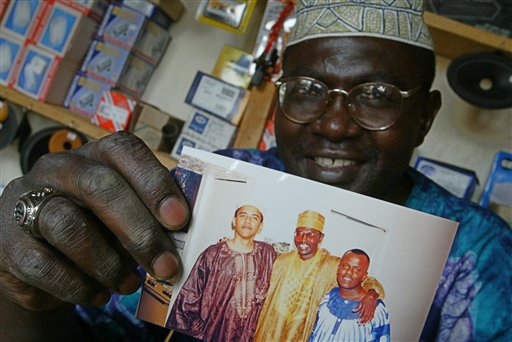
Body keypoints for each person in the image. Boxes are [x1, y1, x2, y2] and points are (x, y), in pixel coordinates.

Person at [0, 0, 510, 341]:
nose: (334, 126)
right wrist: (23, 290)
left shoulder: (479, 253)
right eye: (306, 90)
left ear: (425, 117)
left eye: (377, 97)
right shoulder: (218, 189)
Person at [254, 210, 383, 342]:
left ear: (320, 238)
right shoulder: (282, 261)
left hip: (303, 333)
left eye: (310, 235)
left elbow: (367, 279)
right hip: (271, 331)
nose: (303, 240)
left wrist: (372, 293)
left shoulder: (331, 265)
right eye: (299, 233)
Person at [167, 204, 276, 342]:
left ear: (260, 227)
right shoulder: (212, 253)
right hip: (209, 332)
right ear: (234, 221)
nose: (248, 221)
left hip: (247, 335)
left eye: (254, 218)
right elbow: (190, 294)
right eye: (243, 215)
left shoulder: (268, 253)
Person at [308, 249, 390, 342]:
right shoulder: (327, 296)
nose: (348, 272)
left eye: (357, 269)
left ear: (364, 276)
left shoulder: (375, 308)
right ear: (338, 268)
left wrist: (373, 293)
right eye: (345, 266)